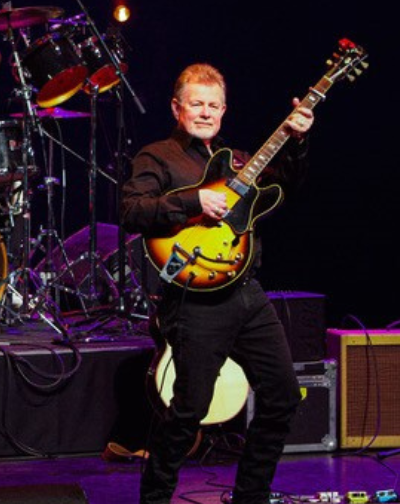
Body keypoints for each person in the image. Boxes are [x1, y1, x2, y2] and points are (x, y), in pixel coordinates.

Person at [123, 63, 313, 504]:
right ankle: (154, 498)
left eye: (213, 105)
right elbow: (132, 209)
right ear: (177, 107)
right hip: (193, 302)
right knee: (189, 412)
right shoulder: (156, 156)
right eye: (196, 104)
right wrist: (193, 200)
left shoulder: (240, 160)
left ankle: (251, 495)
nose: (205, 113)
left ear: (224, 110)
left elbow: (287, 186)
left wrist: (298, 140)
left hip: (247, 294)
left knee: (283, 396)